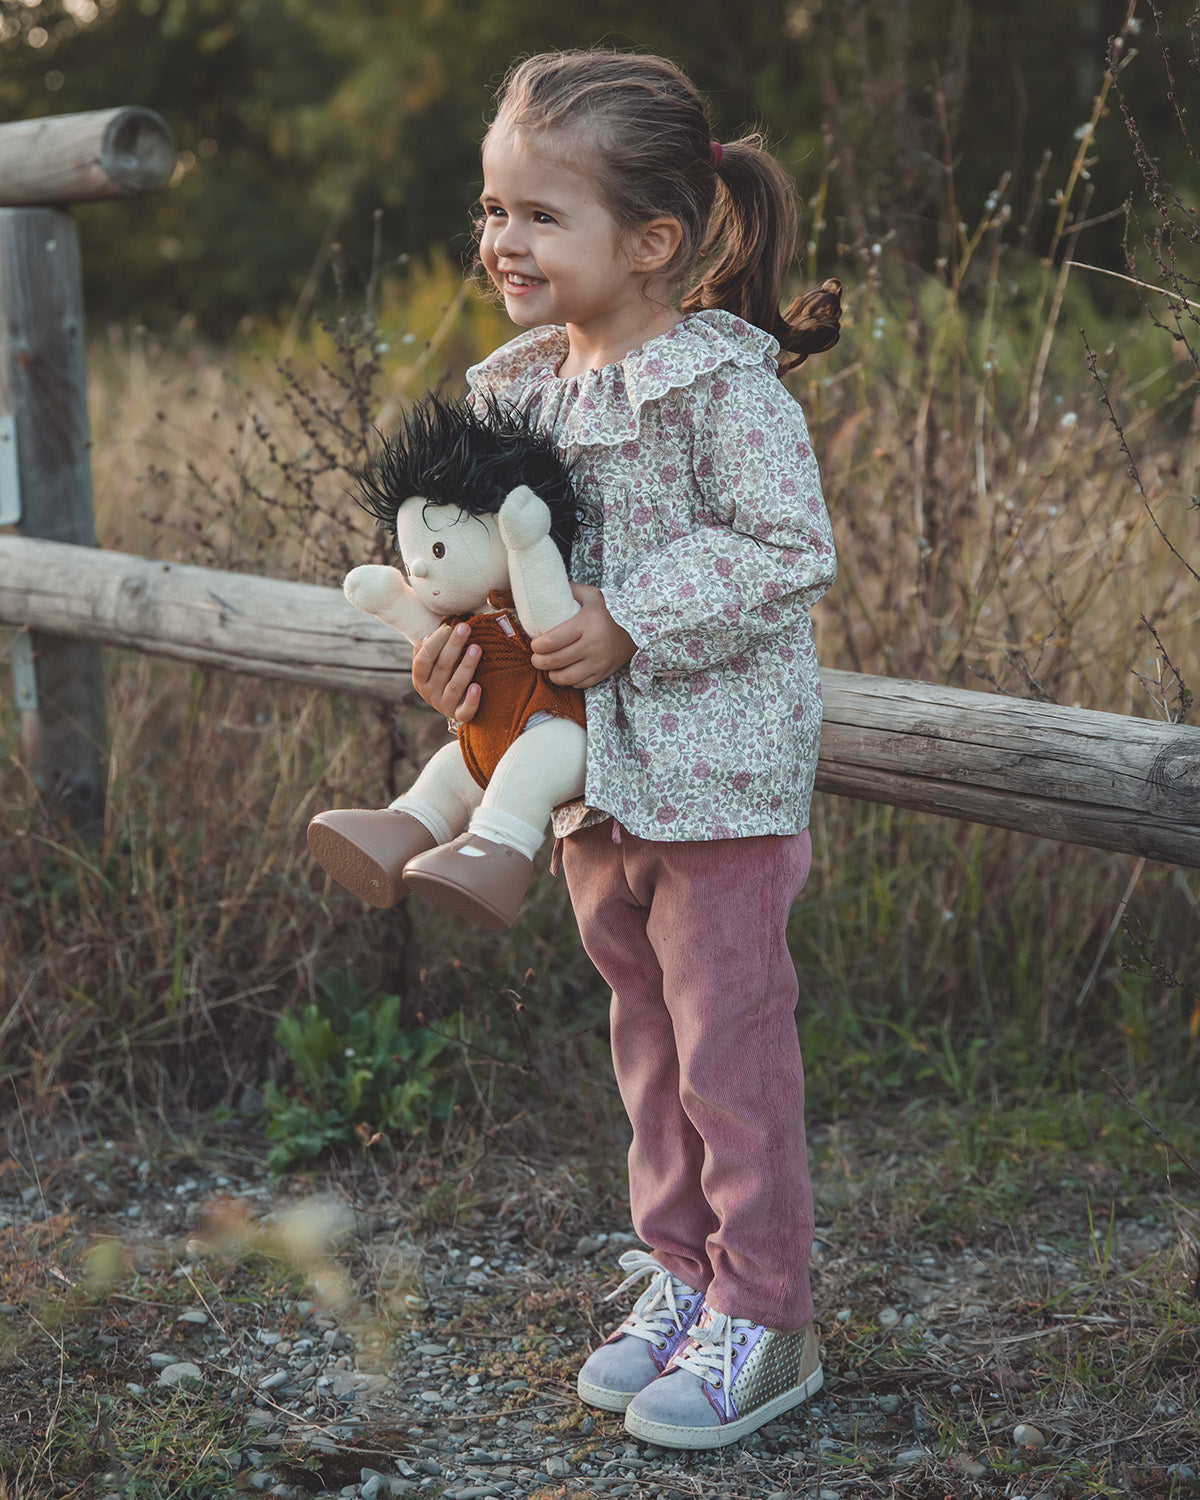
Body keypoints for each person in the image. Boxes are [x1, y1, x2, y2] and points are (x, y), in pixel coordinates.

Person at [411, 48, 842, 1451]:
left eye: (542, 215)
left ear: (652, 241)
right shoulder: (516, 392)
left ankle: (768, 1314)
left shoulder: (722, 386)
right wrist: (456, 656)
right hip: (587, 782)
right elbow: (486, 574)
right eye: (494, 209)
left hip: (716, 781)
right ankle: (682, 1275)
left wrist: (634, 618)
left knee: (728, 1053)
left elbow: (789, 548)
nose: (502, 241)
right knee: (647, 1046)